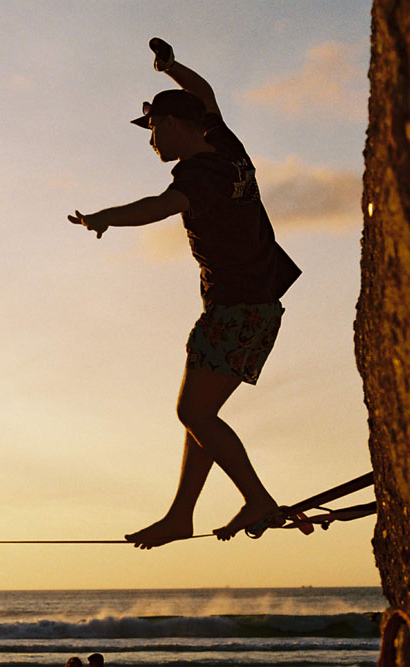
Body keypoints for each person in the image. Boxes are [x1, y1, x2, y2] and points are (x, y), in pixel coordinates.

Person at [68, 38, 301, 548]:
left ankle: (256, 497)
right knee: (199, 414)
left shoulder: (198, 174)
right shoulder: (225, 144)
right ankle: (180, 515)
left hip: (236, 308)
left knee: (193, 414)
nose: (151, 140)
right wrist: (171, 68)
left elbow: (158, 205)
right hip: (257, 304)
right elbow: (205, 91)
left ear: (173, 124)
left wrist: (105, 216)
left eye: (153, 129)